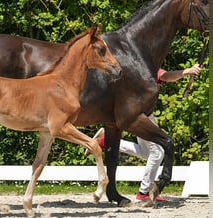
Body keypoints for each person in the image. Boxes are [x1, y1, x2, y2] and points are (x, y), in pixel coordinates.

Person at [85, 64, 202, 202]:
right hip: (143, 116)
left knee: (147, 153)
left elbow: (165, 76)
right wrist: (187, 71)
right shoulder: (147, 66)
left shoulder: (142, 65)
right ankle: (144, 192)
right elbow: (166, 76)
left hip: (145, 114)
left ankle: (104, 141)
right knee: (157, 152)